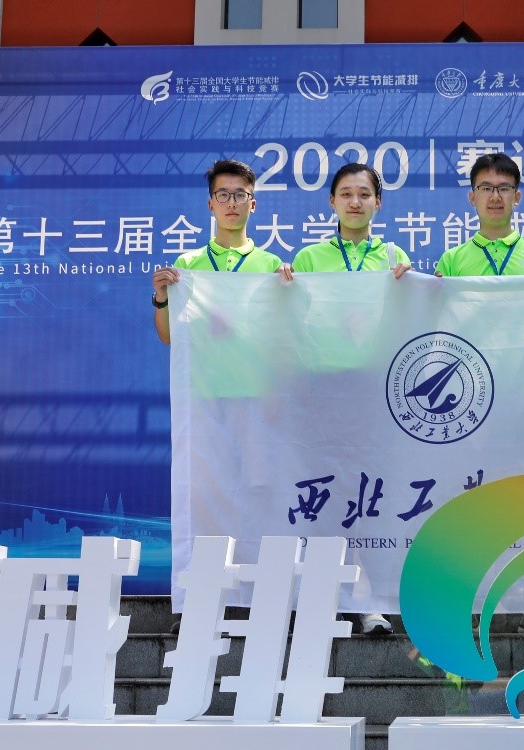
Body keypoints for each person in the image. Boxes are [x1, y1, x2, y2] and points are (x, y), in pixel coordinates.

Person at [289, 162, 410, 637]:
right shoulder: (309, 258)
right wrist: (282, 287)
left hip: (378, 395)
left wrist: (412, 287)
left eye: (364, 194)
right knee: (327, 496)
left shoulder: (395, 257)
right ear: (332, 202)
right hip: (322, 393)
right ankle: (329, 598)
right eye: (346, 194)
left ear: (378, 202)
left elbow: (413, 320)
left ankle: (368, 600)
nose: (355, 202)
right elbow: (287, 323)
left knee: (370, 498)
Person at [152, 159, 291, 344]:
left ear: (252, 205)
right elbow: (168, 337)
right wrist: (162, 298)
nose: (231, 203)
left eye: (240, 195)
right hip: (203, 364)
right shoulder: (186, 265)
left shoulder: (272, 265)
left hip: (252, 363)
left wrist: (289, 287)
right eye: (223, 195)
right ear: (211, 204)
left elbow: (282, 334)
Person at [435, 152, 524, 277]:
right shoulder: (451, 260)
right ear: (472, 198)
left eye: (504, 188)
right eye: (486, 188)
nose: (495, 197)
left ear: (516, 197)